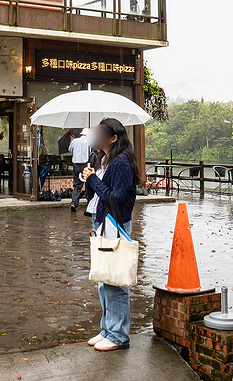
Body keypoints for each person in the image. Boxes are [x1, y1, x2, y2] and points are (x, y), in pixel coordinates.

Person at [81, 118, 139, 352]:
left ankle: (119, 335)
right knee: (104, 280)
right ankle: (107, 328)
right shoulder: (103, 159)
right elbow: (94, 194)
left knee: (116, 281)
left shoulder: (122, 162)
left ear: (113, 138)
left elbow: (117, 198)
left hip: (116, 223)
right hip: (101, 221)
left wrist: (94, 179)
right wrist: (89, 177)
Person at [69, 128, 91, 212]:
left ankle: (74, 203)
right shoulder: (90, 142)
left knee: (77, 185)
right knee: (89, 183)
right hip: (86, 164)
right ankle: (89, 203)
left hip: (76, 165)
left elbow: (70, 149)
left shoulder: (75, 141)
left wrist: (72, 140)